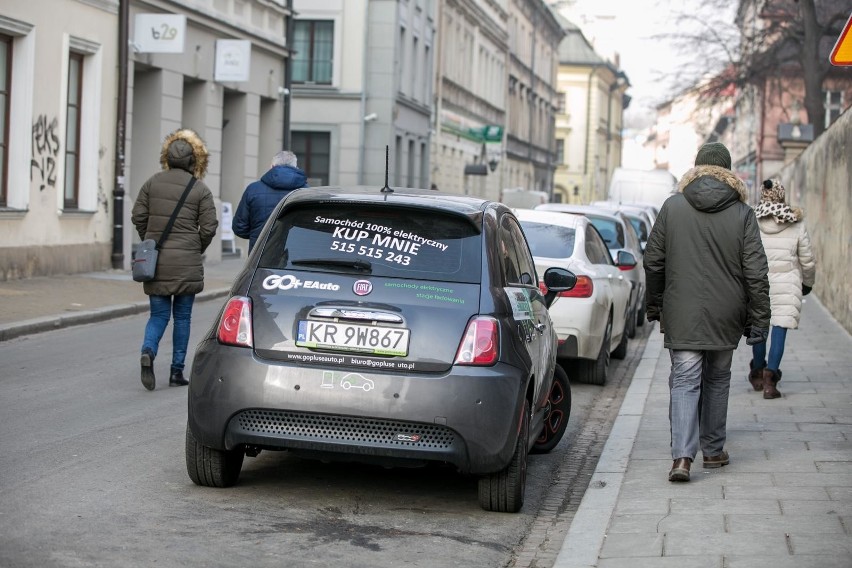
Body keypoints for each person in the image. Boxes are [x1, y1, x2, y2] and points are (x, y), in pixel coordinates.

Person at [643, 142, 770, 483]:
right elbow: (756, 272)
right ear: (729, 173)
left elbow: (653, 261)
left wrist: (655, 304)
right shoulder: (743, 213)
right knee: (717, 379)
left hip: (682, 309)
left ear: (695, 170)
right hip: (727, 312)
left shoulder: (673, 207)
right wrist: (760, 319)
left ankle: (682, 459)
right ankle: (713, 451)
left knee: (684, 380)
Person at [131, 128, 219, 391]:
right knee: (182, 318)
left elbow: (138, 216)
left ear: (166, 159)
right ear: (193, 161)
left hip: (156, 263)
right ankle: (176, 372)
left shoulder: (151, 183)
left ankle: (148, 350)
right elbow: (210, 226)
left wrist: (149, 239)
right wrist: (196, 246)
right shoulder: (200, 189)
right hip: (186, 263)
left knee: (158, 315)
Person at [748, 178, 816, 399]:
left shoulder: (751, 221)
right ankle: (770, 381)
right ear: (782, 196)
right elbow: (807, 261)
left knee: (759, 328)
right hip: (787, 282)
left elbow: (744, 254)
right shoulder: (796, 224)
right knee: (779, 329)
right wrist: (807, 283)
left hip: (758, 283)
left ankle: (758, 372)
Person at [232, 150, 308, 252]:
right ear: (295, 167)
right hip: (294, 254)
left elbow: (240, 228)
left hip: (259, 254)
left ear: (272, 166)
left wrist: (257, 235)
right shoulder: (305, 191)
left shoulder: (253, 189)